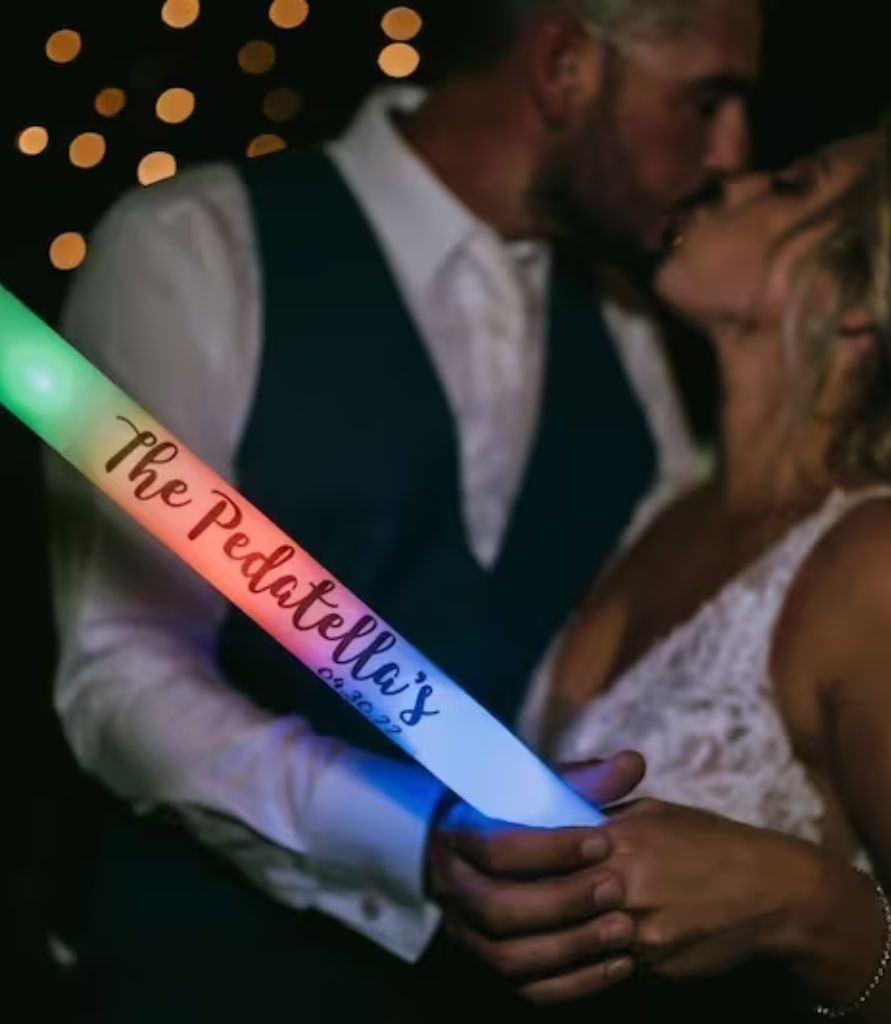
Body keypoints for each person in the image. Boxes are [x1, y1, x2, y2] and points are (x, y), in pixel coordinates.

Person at [46, 1, 761, 1020]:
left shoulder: (628, 322)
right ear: (564, 67)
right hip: (211, 973)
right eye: (706, 99)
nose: (730, 151)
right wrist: (412, 835)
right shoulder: (193, 247)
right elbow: (120, 669)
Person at [429, 116, 891, 1019]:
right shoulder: (663, 513)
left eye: (793, 186)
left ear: (861, 293)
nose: (734, 177)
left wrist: (807, 910)